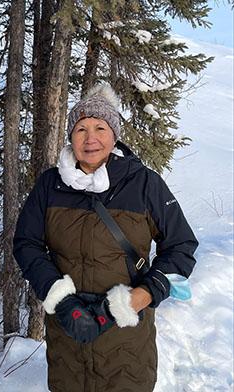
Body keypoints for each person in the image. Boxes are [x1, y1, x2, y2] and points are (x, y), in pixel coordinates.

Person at [12, 83, 198, 392]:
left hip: (125, 339)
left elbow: (181, 247)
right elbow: (26, 244)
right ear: (71, 135)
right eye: (81, 128)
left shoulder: (143, 183)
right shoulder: (50, 184)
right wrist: (61, 299)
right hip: (67, 337)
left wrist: (140, 297)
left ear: (114, 134)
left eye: (100, 127)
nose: (91, 138)